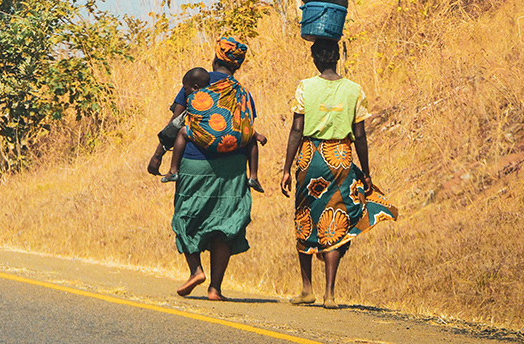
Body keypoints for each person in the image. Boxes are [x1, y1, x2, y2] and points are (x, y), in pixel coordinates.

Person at [280, 39, 398, 309]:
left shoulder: (305, 87)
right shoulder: (354, 90)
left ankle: (307, 289)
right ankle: (329, 295)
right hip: (341, 159)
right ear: (337, 58)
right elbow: (360, 136)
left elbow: (297, 131)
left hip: (310, 158)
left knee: (305, 216)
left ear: (315, 60)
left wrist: (287, 168)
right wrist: (366, 172)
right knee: (336, 218)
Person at [160, 37, 259, 300]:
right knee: (224, 222)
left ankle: (195, 270)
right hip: (233, 167)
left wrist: (159, 154)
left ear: (215, 57)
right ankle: (215, 288)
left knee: (186, 215)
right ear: (237, 65)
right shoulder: (242, 93)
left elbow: (176, 123)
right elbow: (246, 128)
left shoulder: (196, 83)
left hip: (195, 161)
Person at [147, 67, 209, 176]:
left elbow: (176, 121)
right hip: (232, 161)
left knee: (182, 133)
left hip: (194, 159)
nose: (185, 91)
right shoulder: (233, 88)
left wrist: (157, 155)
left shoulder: (194, 89)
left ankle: (172, 171)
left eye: (185, 89)